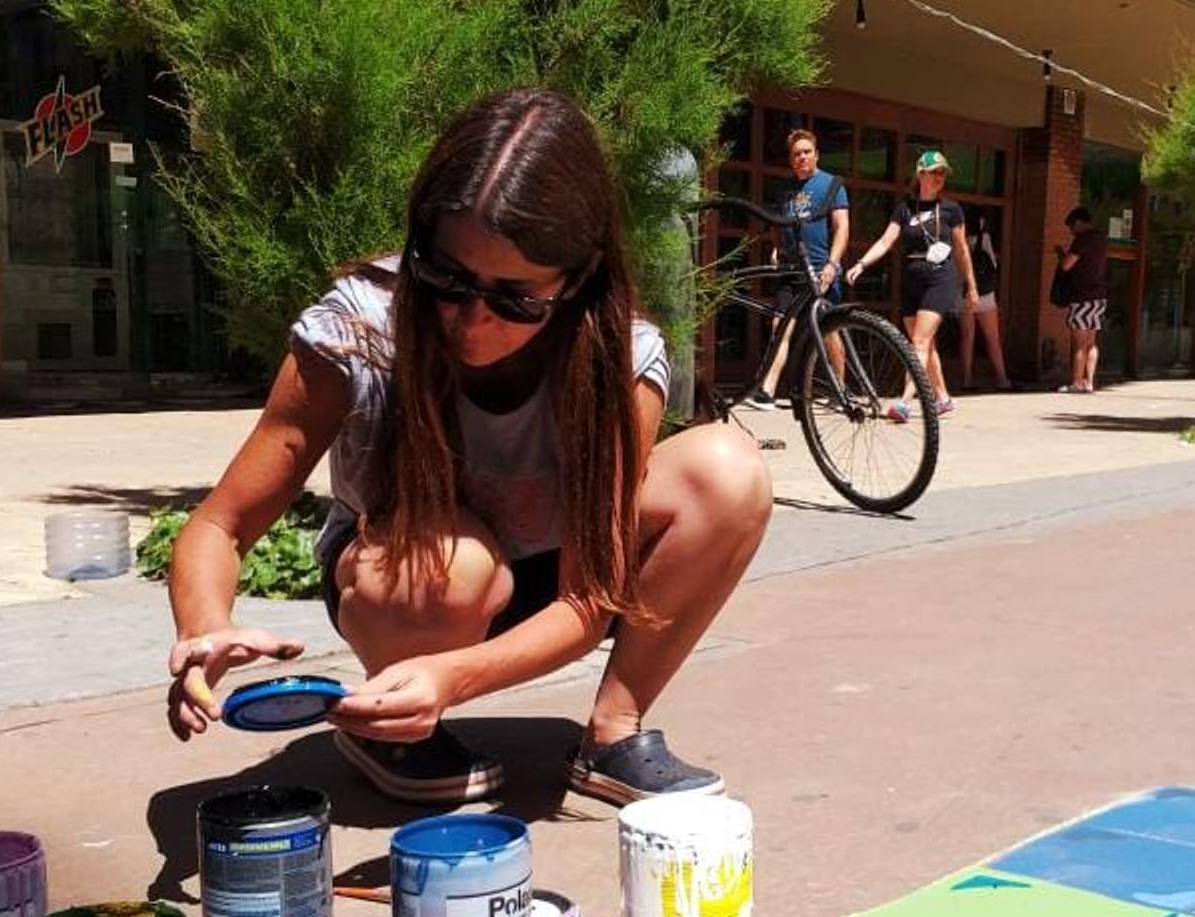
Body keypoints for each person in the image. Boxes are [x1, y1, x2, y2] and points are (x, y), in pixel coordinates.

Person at [163, 88, 773, 807]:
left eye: (515, 299)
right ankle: (391, 730)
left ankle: (613, 730)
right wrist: (206, 629)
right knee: (450, 565)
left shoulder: (618, 358)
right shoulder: (358, 330)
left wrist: (455, 678)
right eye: (447, 280)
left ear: (574, 282)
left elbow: (586, 599)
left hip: (556, 588)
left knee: (729, 471)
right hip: (410, 589)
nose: (472, 321)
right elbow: (221, 524)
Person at [845, 149, 977, 421]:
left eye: (943, 173)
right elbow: (885, 241)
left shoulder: (951, 209)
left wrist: (971, 286)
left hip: (940, 276)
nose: (940, 177)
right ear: (920, 174)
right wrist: (861, 264)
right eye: (935, 172)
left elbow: (962, 250)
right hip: (912, 278)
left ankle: (905, 401)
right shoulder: (905, 207)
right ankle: (942, 398)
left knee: (918, 341)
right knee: (925, 345)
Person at [746, 128, 848, 409]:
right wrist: (777, 247)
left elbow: (842, 228)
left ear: (816, 154)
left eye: (806, 152)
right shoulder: (785, 190)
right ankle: (767, 391)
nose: (802, 157)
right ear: (791, 160)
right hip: (791, 270)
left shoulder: (832, 185)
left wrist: (832, 263)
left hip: (819, 268)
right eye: (796, 154)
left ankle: (840, 390)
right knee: (781, 325)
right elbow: (778, 224)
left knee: (829, 329)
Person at [1052, 207, 1108, 393]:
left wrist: (1061, 254)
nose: (1071, 232)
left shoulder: (1082, 239)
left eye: (1071, 227)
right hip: (1099, 297)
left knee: (1079, 342)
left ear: (1077, 222)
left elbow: (1067, 265)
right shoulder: (1101, 238)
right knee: (1092, 342)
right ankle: (1089, 382)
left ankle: (1076, 382)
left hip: (1082, 297)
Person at [958, 210, 1009, 392]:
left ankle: (966, 380)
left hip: (963, 292)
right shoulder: (984, 237)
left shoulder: (959, 238)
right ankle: (1002, 379)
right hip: (985, 294)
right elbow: (992, 264)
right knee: (993, 339)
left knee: (967, 338)